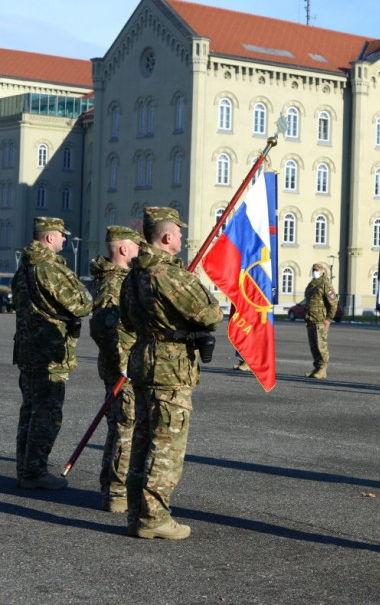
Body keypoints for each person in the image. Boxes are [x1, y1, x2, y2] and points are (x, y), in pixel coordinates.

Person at [121, 207, 222, 540]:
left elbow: (126, 320)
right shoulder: (167, 273)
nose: (181, 236)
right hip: (170, 367)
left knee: (143, 441)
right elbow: (210, 314)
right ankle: (155, 518)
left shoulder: (133, 274)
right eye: (178, 232)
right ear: (166, 236)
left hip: (144, 361)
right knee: (166, 445)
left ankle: (138, 512)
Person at [12, 216, 93, 490]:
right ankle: (35, 472)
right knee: (47, 413)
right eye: (61, 235)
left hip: (28, 349)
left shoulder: (24, 265)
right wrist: (86, 295)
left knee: (30, 411)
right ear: (49, 238)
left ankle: (26, 468)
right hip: (48, 352)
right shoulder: (47, 267)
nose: (65, 240)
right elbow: (80, 304)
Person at [89, 225, 142, 512]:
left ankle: (111, 486)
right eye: (135, 246)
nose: (139, 252)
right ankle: (117, 492)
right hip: (123, 367)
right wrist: (123, 364)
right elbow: (103, 327)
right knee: (126, 428)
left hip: (122, 364)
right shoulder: (114, 282)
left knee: (118, 426)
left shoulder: (121, 278)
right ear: (124, 249)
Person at [303, 262, 339, 380]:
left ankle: (323, 369)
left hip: (320, 320)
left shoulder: (325, 284)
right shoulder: (312, 284)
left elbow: (333, 303)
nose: (315, 271)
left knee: (321, 345)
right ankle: (317, 368)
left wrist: (328, 318)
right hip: (311, 319)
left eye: (317, 269)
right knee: (313, 346)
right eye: (314, 269)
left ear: (323, 271)